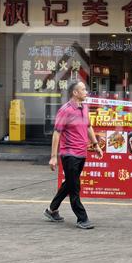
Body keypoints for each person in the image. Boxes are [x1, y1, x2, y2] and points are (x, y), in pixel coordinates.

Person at [44, 81, 103, 229]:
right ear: (75, 93)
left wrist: (96, 145)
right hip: (69, 154)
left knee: (69, 183)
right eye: (83, 89)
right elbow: (57, 133)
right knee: (75, 186)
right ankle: (82, 219)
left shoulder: (84, 107)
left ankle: (52, 210)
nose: (86, 91)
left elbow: (88, 127)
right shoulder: (65, 110)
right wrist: (53, 156)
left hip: (81, 153)